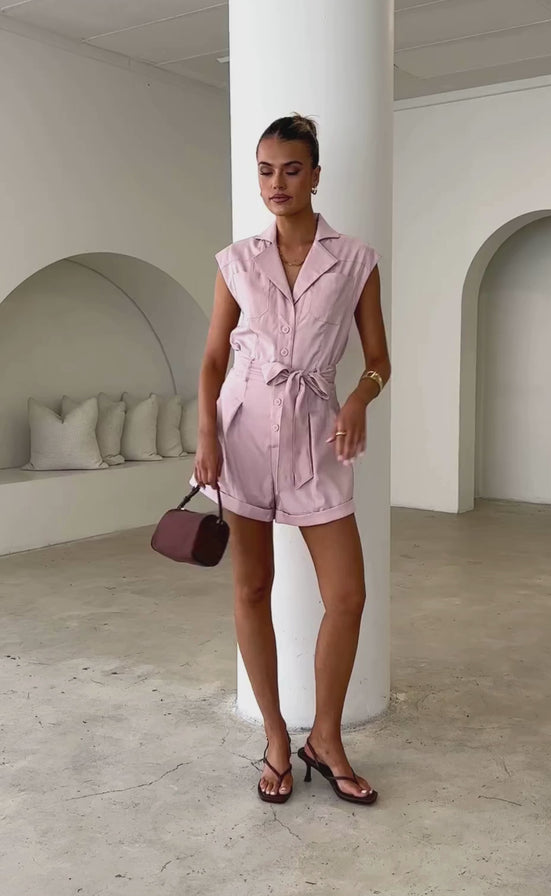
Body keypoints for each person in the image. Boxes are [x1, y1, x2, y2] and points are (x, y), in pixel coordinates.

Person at [192, 114, 390, 806]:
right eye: (266, 170)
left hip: (317, 435)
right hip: (242, 431)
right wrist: (207, 433)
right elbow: (213, 357)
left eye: (292, 169)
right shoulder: (237, 261)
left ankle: (325, 739)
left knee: (348, 595)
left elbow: (379, 360)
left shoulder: (356, 260)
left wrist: (359, 398)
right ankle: (276, 738)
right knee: (252, 587)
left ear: (315, 175)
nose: (277, 183)